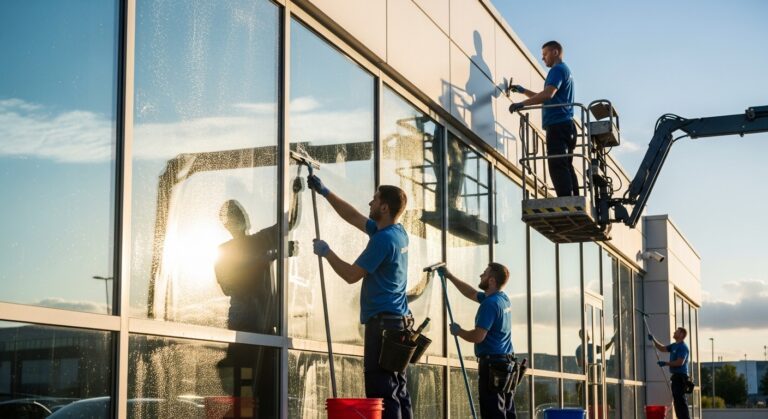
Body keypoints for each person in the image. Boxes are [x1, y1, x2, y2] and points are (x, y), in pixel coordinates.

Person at [308, 175, 412, 419]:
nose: (370, 203)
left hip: (384, 325)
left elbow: (351, 275)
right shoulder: (397, 232)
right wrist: (325, 192)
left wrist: (327, 252)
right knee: (398, 389)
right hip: (398, 323)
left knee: (383, 392)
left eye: (374, 200)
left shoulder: (383, 241)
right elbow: (353, 216)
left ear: (384, 207)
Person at [442, 263, 516, 419]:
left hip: (493, 366)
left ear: (491, 281)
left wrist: (459, 331)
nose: (480, 275)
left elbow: (478, 336)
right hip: (506, 364)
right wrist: (450, 276)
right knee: (506, 411)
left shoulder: (490, 304)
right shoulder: (502, 299)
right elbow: (471, 293)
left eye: (484, 273)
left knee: (493, 413)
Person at [508, 40, 578, 197]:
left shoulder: (557, 69)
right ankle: (574, 197)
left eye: (545, 54)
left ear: (555, 52)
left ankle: (566, 200)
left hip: (558, 126)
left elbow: (547, 95)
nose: (543, 58)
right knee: (566, 164)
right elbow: (547, 97)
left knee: (557, 164)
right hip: (566, 126)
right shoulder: (565, 70)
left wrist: (521, 104)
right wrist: (523, 91)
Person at [649, 327, 691, 419]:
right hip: (675, 377)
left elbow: (680, 362)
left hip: (681, 377)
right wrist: (653, 339)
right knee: (677, 400)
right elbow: (662, 348)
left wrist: (665, 363)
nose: (674, 332)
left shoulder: (683, 347)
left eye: (677, 332)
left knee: (680, 400)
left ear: (681, 335)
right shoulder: (674, 346)